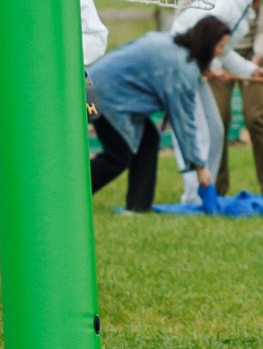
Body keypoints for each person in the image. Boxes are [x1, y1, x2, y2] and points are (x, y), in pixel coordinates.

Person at [86, 17, 231, 212]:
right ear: (208, 43)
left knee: (148, 139)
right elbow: (184, 122)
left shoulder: (172, 46)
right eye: (220, 46)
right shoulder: (181, 69)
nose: (221, 52)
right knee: (119, 155)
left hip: (92, 87)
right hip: (100, 98)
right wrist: (200, 166)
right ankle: (70, 194)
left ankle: (139, 207)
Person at [184, 0, 263, 200]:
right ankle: (217, 188)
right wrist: (211, 66)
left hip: (251, 54)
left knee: (255, 119)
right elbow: (186, 7)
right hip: (214, 57)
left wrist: (254, 64)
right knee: (218, 121)